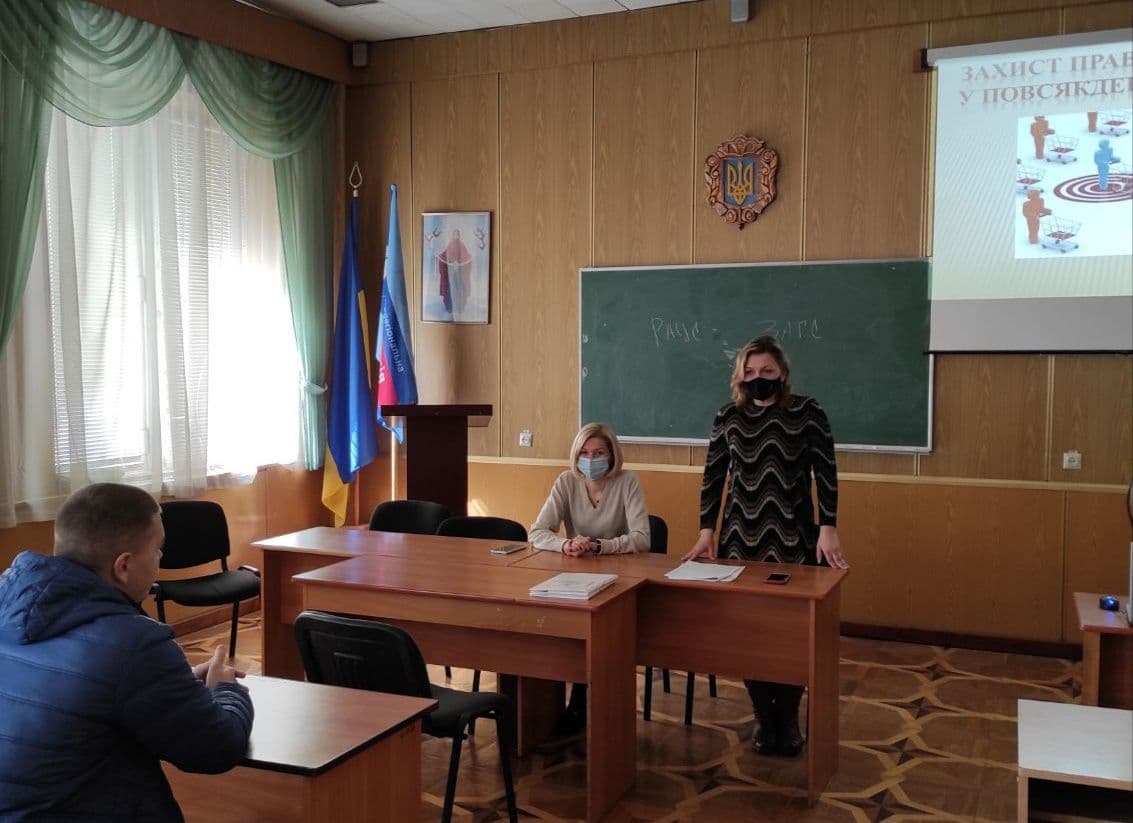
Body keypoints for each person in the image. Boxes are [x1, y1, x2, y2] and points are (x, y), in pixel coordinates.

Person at [0, 483, 254, 821]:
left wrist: (175, 684)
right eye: (158, 550)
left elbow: (75, 694)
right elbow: (217, 748)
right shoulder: (134, 642)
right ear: (123, 566)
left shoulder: (7, 604)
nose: (160, 559)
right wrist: (226, 689)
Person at [683, 335, 848, 758]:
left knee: (792, 632)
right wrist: (706, 531)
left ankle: (788, 717)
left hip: (796, 539)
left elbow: (826, 471)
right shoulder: (728, 416)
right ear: (740, 376)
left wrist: (828, 527)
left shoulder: (807, 412)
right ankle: (763, 715)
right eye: (751, 371)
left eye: (767, 371)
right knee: (749, 632)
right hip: (741, 540)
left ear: (783, 374)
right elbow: (713, 476)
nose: (759, 378)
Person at [529, 422, 649, 736]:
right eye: (584, 453)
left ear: (612, 455)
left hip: (618, 577)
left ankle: (585, 705)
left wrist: (599, 546)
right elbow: (537, 532)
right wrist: (565, 544)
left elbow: (642, 538)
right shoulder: (566, 481)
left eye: (598, 453)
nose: (590, 459)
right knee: (554, 629)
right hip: (575, 576)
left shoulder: (627, 481)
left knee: (598, 634)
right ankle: (564, 705)